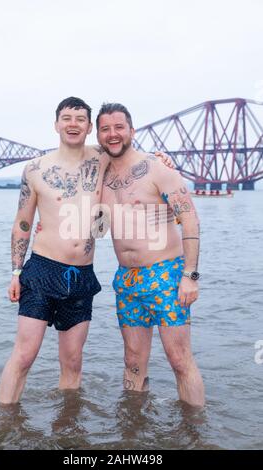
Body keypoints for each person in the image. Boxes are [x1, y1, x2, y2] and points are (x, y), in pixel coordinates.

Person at [0, 97, 171, 404]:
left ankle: (67, 428)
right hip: (41, 271)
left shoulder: (103, 158)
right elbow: (22, 223)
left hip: (81, 275)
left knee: (73, 361)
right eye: (67, 118)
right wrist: (15, 271)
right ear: (56, 124)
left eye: (80, 119)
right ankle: (2, 424)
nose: (73, 124)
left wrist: (162, 158)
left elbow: (132, 153)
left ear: (89, 127)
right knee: (24, 356)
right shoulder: (36, 169)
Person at [96, 103, 205, 408]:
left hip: (166, 274)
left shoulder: (158, 168)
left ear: (132, 130)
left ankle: (196, 433)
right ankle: (133, 428)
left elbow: (191, 220)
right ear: (99, 135)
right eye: (105, 129)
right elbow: (99, 231)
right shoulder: (100, 178)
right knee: (132, 359)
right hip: (126, 279)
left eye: (119, 127)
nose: (113, 134)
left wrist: (190, 276)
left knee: (179, 359)